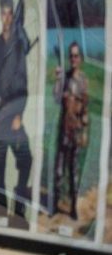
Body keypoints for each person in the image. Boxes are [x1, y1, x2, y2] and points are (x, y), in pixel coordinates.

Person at [0, 0, 32, 224]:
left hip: (13, 115)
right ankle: (0, 218)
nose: (6, 17)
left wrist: (19, 114)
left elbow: (24, 83)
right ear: (1, 15)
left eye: (10, 13)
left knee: (26, 160)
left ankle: (19, 209)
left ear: (13, 15)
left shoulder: (19, 44)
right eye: (3, 13)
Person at [52, 42, 89, 220]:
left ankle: (73, 207)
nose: (73, 59)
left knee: (73, 171)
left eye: (76, 56)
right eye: (71, 56)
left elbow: (85, 109)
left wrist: (84, 132)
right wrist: (57, 80)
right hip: (63, 130)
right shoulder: (64, 77)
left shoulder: (83, 81)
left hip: (76, 131)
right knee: (59, 171)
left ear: (80, 58)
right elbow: (56, 98)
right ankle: (55, 205)